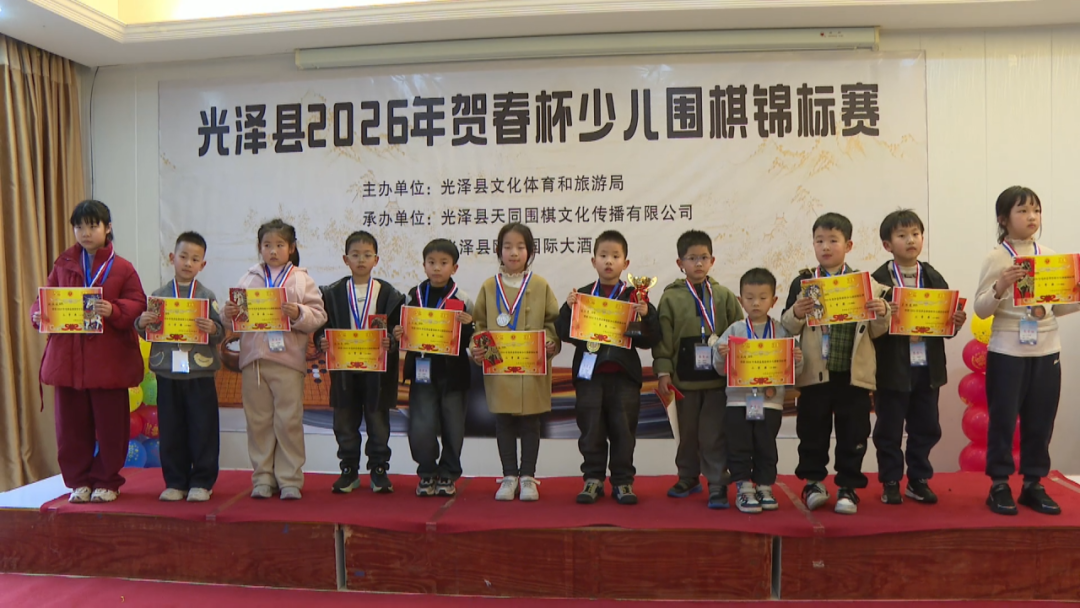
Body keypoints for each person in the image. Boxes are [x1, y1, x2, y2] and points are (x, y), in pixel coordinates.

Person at [31, 199, 147, 503]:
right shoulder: (63, 263)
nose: (85, 232)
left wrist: (114, 309)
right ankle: (79, 482)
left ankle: (107, 481)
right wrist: (37, 314)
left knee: (111, 427)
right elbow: (46, 299)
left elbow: (138, 304)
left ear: (107, 228)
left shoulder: (122, 268)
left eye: (92, 226)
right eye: (79, 226)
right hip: (68, 362)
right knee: (70, 428)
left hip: (108, 363)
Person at [974, 186, 1078, 515]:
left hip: (1047, 350)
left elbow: (1056, 307)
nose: (1032, 217)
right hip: (1007, 351)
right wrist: (1001, 285)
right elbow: (981, 310)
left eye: (1036, 210)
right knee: (1003, 421)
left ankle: (1033, 483)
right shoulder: (997, 257)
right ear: (1003, 219)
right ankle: (999, 484)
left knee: (1041, 421)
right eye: (1022, 211)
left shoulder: (1048, 255)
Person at [781, 212, 890, 515]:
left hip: (852, 375)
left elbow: (878, 332)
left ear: (849, 245)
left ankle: (848, 487)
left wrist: (882, 312)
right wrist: (797, 312)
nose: (825, 247)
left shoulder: (866, 284)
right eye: (819, 241)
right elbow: (787, 327)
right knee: (812, 431)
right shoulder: (804, 282)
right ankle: (813, 483)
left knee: (853, 432)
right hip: (815, 374)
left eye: (833, 240)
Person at [222, 219, 327, 500]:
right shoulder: (249, 278)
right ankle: (263, 478)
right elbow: (231, 317)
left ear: (291, 248)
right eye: (267, 245)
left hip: (287, 362)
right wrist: (227, 313)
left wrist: (298, 313)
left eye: (280, 245)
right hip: (254, 363)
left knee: (288, 421)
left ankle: (290, 479)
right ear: (259, 247)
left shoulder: (301, 279)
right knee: (258, 422)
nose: (273, 250)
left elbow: (319, 315)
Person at [555, 230, 659, 505]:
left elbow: (649, 340)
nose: (609, 261)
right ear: (593, 261)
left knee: (624, 432)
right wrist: (568, 309)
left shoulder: (635, 297)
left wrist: (646, 315)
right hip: (589, 378)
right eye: (603, 256)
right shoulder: (582, 295)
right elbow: (564, 333)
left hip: (624, 379)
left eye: (615, 256)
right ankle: (593, 479)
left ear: (626, 263)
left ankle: (623, 482)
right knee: (591, 430)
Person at [870, 210, 966, 505]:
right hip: (891, 368)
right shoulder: (878, 281)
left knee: (925, 426)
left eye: (915, 234)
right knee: (889, 428)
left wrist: (955, 323)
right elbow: (869, 330)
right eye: (902, 235)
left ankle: (918, 479)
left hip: (927, 367)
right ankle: (890, 481)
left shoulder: (933, 276)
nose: (910, 240)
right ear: (887, 244)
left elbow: (945, 326)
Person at [652, 229, 742, 509]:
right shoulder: (670, 298)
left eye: (704, 257)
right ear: (680, 263)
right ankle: (688, 477)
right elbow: (663, 339)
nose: (699, 263)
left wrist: (739, 368)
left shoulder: (724, 296)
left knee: (713, 435)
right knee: (687, 433)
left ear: (712, 260)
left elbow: (740, 333)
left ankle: (717, 483)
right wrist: (664, 372)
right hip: (683, 382)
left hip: (717, 382)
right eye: (692, 258)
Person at [470, 223, 560, 501]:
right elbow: (479, 326)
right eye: (507, 246)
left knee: (532, 422)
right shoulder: (489, 287)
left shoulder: (540, 285)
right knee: (504, 421)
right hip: (500, 369)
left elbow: (552, 323)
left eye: (520, 247)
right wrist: (477, 348)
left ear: (530, 252)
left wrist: (550, 342)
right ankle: (509, 476)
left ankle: (528, 477)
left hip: (532, 368)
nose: (514, 252)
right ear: (499, 251)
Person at [136, 232, 225, 502]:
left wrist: (213, 329)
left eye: (195, 259)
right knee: (171, 429)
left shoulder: (207, 296)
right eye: (183, 256)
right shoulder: (159, 296)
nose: (188, 263)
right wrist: (141, 323)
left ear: (202, 265)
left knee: (203, 428)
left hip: (200, 373)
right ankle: (175, 481)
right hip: (168, 373)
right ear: (172, 258)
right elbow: (147, 332)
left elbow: (221, 332)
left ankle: (202, 482)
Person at [316, 231, 404, 494]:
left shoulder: (390, 294)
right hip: (344, 370)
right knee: (344, 421)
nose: (361, 260)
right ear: (346, 259)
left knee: (378, 422)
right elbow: (322, 327)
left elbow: (398, 330)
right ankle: (349, 471)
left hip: (377, 372)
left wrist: (391, 340)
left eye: (367, 255)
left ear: (376, 259)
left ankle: (379, 471)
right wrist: (322, 340)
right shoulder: (331, 293)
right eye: (355, 255)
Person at [715, 268, 803, 513]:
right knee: (739, 445)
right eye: (750, 297)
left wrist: (797, 359)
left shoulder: (782, 331)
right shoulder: (734, 331)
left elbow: (796, 371)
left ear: (773, 301)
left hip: (770, 402)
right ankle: (744, 488)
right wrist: (721, 355)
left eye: (763, 297)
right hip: (738, 402)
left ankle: (764, 486)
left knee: (766, 445)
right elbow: (719, 369)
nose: (756, 303)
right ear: (740, 299)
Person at [394, 239, 474, 497]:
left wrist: (469, 326)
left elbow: (473, 340)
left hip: (454, 375)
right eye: (431, 262)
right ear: (424, 265)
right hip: (422, 373)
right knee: (421, 426)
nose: (437, 268)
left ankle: (448, 474)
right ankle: (427, 472)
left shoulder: (463, 299)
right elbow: (400, 328)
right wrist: (398, 331)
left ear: (455, 267)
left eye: (443, 263)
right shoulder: (413, 296)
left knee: (453, 428)